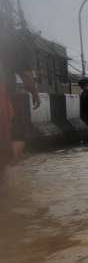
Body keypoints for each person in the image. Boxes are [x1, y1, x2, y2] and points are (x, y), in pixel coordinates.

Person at [0, 18, 41, 167]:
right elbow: (25, 74)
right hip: (5, 96)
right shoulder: (10, 44)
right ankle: (5, 174)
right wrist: (35, 94)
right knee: (17, 136)